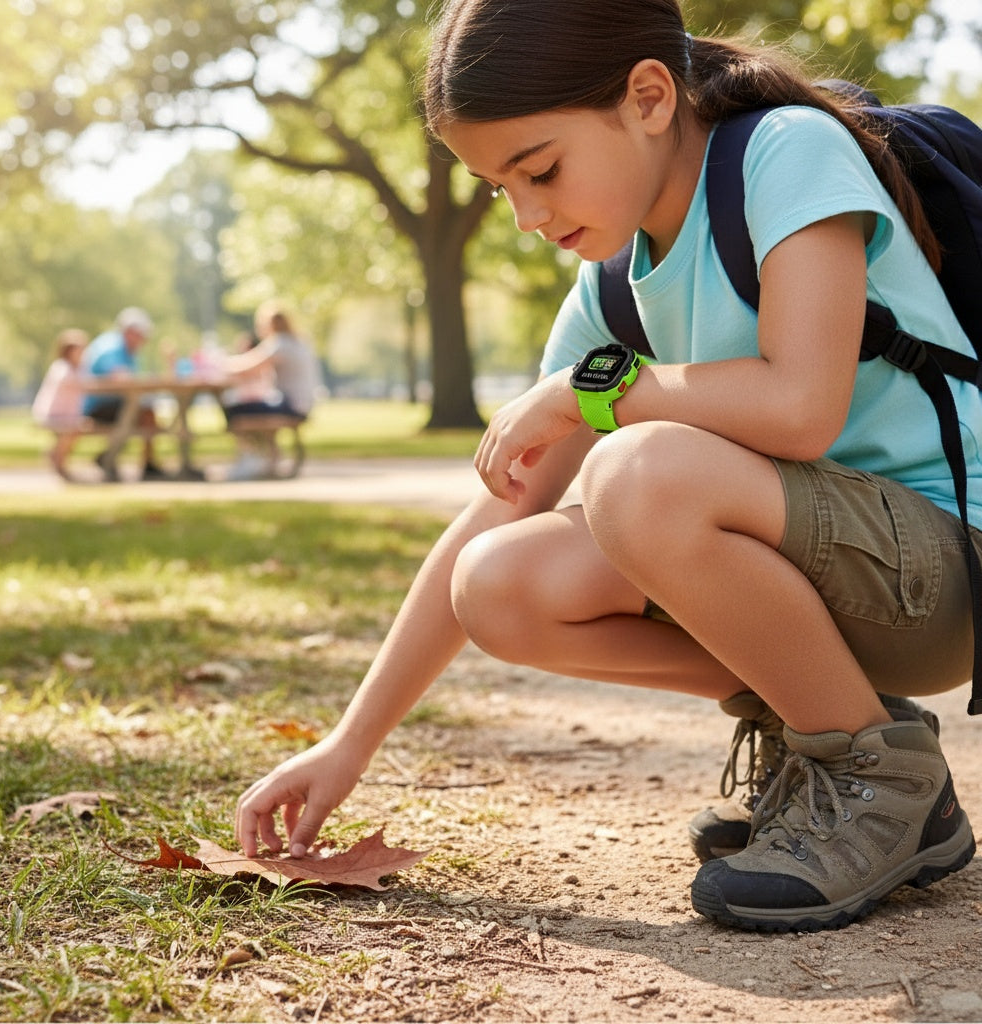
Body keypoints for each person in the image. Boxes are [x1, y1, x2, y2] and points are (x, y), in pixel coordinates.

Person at [235, 0, 980, 933]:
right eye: (498, 187)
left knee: (637, 473)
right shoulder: (613, 284)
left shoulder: (786, 152)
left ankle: (875, 772)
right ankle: (826, 729)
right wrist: (349, 744)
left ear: (649, 96)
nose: (526, 216)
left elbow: (800, 405)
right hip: (832, 574)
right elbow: (499, 508)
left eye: (539, 170)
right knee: (499, 581)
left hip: (945, 572)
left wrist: (592, 393)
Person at [221, 302, 320, 480]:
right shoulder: (297, 341)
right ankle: (267, 458)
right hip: (301, 403)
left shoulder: (279, 343)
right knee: (250, 407)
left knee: (234, 409)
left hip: (292, 405)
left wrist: (219, 363)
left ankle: (252, 456)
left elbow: (247, 366)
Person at [81, 307, 170, 482]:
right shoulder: (111, 347)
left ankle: (140, 462)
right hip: (98, 406)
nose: (144, 341)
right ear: (130, 332)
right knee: (143, 414)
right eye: (141, 335)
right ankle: (110, 459)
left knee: (147, 414)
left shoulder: (128, 352)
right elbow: (120, 378)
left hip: (118, 403)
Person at [31, 328, 90, 480]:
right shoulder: (61, 367)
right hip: (53, 414)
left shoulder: (79, 369)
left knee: (80, 427)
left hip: (67, 415)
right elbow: (75, 383)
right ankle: (58, 461)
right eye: (80, 350)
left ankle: (57, 457)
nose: (83, 353)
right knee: (74, 428)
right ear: (68, 351)